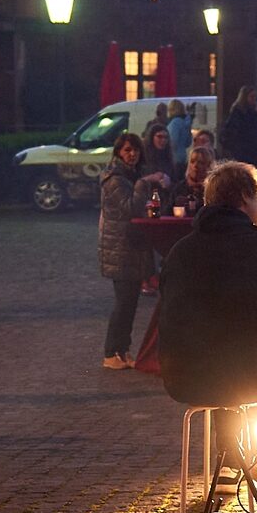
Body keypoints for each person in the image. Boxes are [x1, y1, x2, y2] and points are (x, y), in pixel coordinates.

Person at [158, 160, 257, 510]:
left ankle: (231, 463)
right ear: (246, 199)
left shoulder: (180, 250)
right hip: (239, 376)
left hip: (182, 377)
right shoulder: (253, 246)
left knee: (226, 354)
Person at [96, 131, 167, 369]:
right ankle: (110, 352)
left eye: (135, 150)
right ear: (118, 152)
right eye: (127, 150)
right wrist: (145, 183)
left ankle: (123, 350)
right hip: (120, 249)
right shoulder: (114, 180)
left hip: (131, 248)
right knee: (123, 303)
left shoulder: (131, 176)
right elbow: (131, 207)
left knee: (130, 303)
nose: (132, 154)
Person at [220, 85, 257, 165]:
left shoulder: (254, 113)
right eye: (252, 97)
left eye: (255, 97)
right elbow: (236, 130)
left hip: (254, 151)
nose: (254, 99)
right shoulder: (238, 113)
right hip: (242, 151)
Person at [176, 144, 213, 215]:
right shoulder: (180, 187)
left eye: (201, 162)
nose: (195, 166)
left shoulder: (212, 189)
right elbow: (166, 212)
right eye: (192, 161)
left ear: (208, 166)